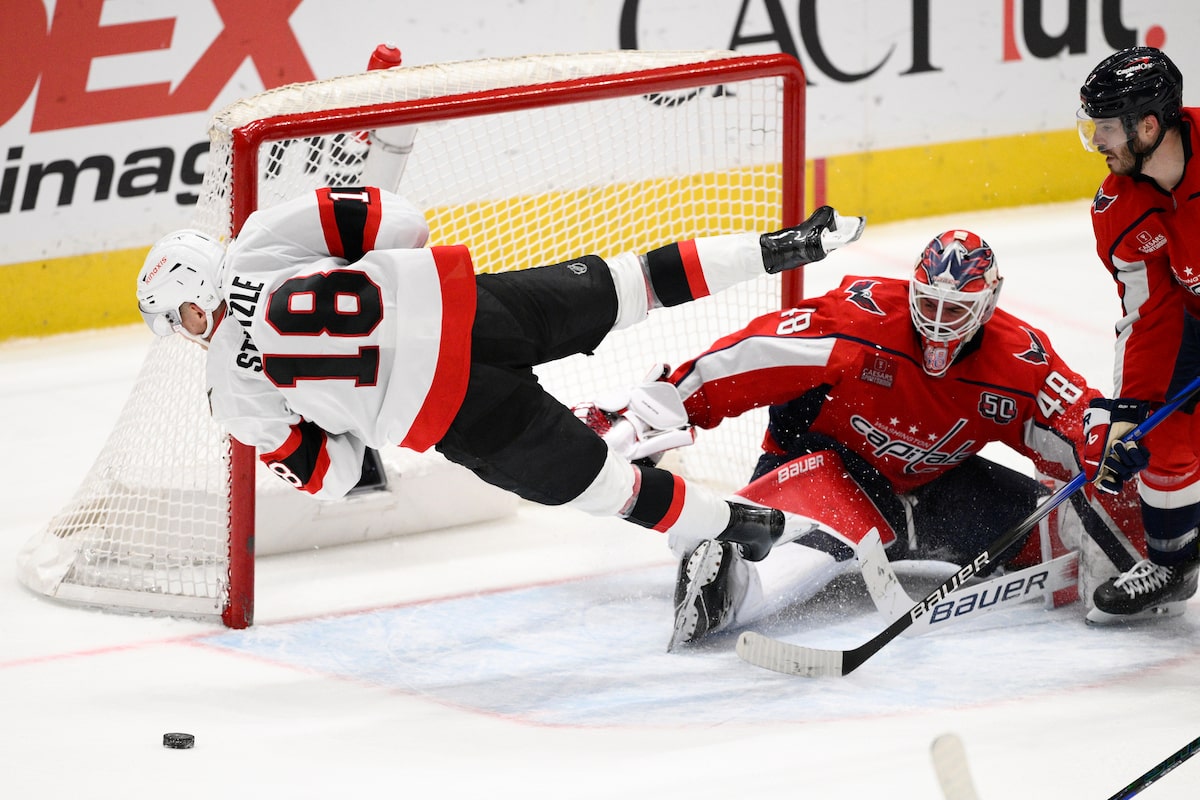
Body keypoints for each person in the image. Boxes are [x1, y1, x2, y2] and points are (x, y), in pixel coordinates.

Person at [134, 185, 864, 563]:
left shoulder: (232, 394)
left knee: (607, 489)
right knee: (633, 281)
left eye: (180, 322)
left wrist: (345, 410)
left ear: (192, 301)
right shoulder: (262, 240)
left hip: (454, 410)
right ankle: (782, 245)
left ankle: (744, 525)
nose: (188, 337)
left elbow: (341, 476)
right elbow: (405, 223)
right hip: (471, 310)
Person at [579, 229, 1145, 645]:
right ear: (912, 288)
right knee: (778, 555)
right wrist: (668, 405)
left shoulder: (1019, 360)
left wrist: (1116, 457)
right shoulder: (860, 320)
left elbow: (1079, 418)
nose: (939, 324)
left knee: (1081, 532)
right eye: (930, 304)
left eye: (958, 310)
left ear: (989, 304)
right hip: (824, 470)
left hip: (936, 488)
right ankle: (724, 561)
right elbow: (751, 356)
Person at [1075, 46, 1200, 622]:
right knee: (1162, 433)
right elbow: (1147, 312)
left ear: (1148, 125)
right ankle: (1173, 565)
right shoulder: (1117, 207)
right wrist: (1129, 411)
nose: (1097, 143)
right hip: (1193, 316)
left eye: (1105, 129)